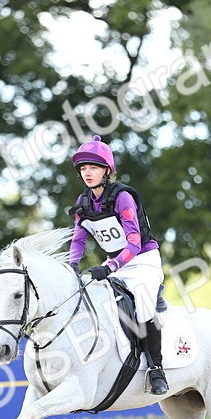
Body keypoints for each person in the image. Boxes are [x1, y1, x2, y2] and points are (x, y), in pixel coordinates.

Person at [67, 135, 169, 395]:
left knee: (143, 306)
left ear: (107, 170)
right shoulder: (83, 202)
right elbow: (78, 239)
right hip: (115, 262)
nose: (87, 173)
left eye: (93, 167)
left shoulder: (122, 197)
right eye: (83, 168)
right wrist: (72, 266)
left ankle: (156, 369)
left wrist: (109, 268)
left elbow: (134, 243)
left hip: (143, 260)